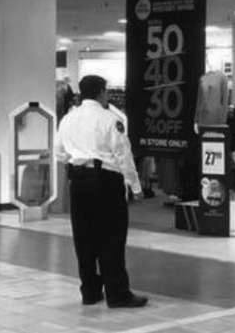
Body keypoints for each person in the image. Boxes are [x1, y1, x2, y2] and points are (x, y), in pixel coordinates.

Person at [55, 75, 148, 309]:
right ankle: (117, 293)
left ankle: (90, 291)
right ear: (102, 92)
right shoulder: (110, 119)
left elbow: (59, 153)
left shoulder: (68, 119)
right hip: (105, 180)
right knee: (111, 237)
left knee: (83, 238)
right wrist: (136, 186)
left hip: (77, 180)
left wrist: (76, 159)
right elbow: (123, 155)